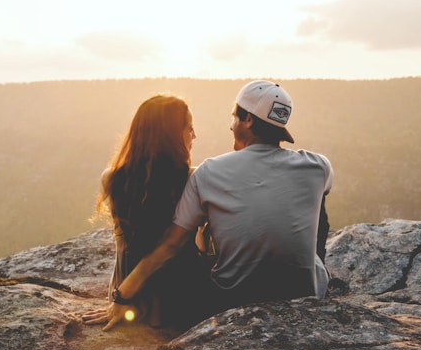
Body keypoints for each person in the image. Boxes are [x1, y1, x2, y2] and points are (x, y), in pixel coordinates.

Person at [96, 80, 334, 331]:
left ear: (248, 120)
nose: (230, 125)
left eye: (234, 117)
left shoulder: (210, 172)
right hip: (306, 293)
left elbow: (171, 242)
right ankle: (307, 269)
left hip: (232, 297)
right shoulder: (318, 166)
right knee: (318, 200)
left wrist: (123, 293)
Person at [81, 94, 206, 330]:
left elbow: (123, 249)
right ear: (170, 137)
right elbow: (175, 246)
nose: (194, 136)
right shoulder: (194, 179)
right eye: (189, 128)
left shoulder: (111, 178)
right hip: (183, 299)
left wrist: (119, 298)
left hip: (131, 299)